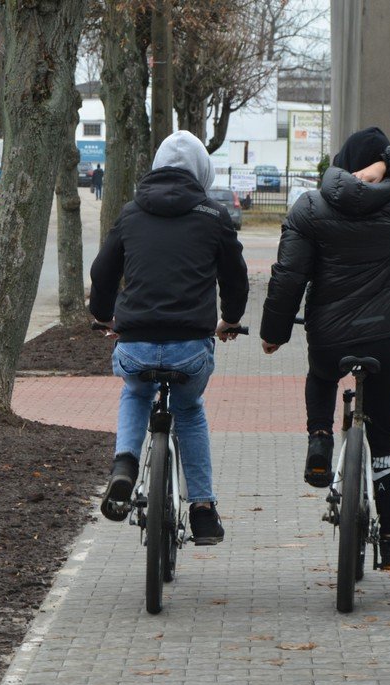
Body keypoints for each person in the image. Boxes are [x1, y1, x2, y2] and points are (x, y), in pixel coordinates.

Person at [259, 126, 390, 571]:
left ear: (341, 161)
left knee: (322, 375)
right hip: (386, 340)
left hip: (330, 337)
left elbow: (289, 277)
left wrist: (274, 333)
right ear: (382, 163)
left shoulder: (310, 206)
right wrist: (388, 163)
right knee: (385, 436)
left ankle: (320, 438)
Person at [90, 130, 248, 545]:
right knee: (190, 410)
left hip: (136, 342)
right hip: (190, 349)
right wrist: (230, 319)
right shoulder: (215, 216)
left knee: (135, 392)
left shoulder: (130, 213)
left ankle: (124, 466)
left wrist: (104, 316)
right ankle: (202, 510)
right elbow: (236, 278)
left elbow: (103, 272)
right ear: (202, 171)